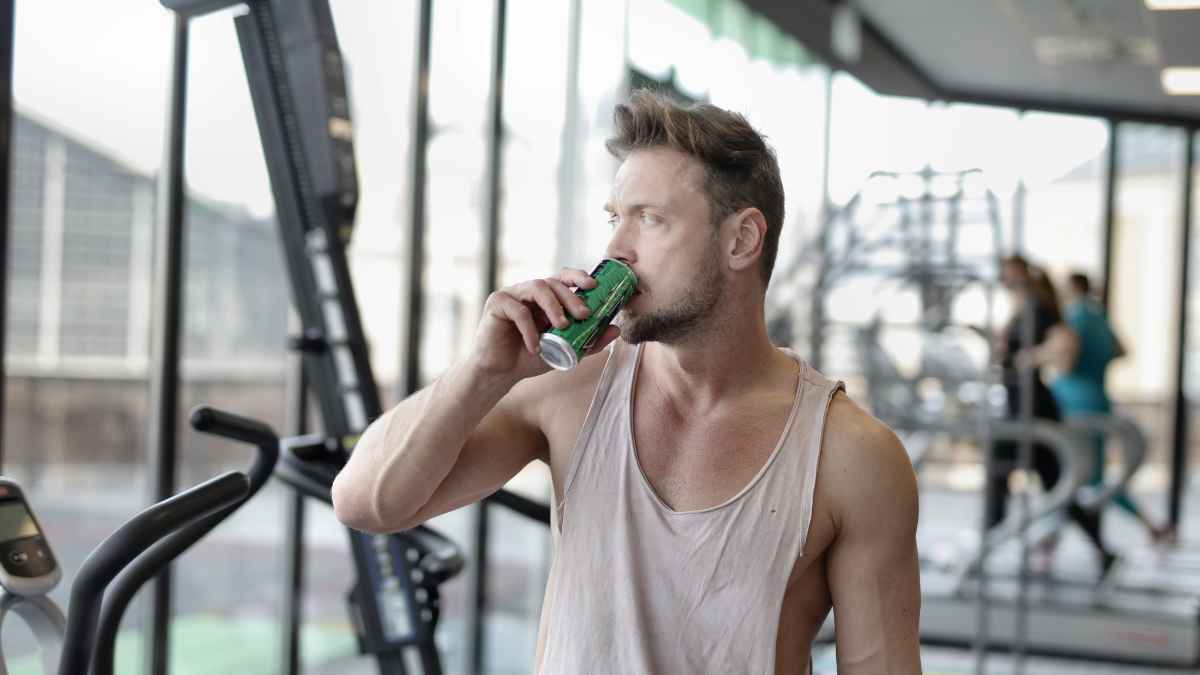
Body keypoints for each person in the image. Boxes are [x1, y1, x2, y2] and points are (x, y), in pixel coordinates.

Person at [331, 91, 922, 674]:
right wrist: (483, 373)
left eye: (651, 219)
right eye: (616, 219)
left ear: (742, 240)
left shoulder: (852, 456)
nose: (616, 248)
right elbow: (364, 504)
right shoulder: (568, 390)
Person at [990, 256, 1118, 576]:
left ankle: (988, 534)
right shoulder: (1024, 307)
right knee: (1056, 484)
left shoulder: (1038, 306)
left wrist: (1030, 358)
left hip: (1032, 407)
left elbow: (1065, 343)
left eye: (1007, 273)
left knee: (1002, 465)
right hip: (1022, 405)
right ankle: (1103, 550)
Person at [1051, 272, 1175, 546]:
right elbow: (1121, 350)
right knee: (1092, 475)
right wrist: (1097, 361)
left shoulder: (1073, 319)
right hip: (1097, 397)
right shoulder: (1099, 318)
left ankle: (1049, 534)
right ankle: (1149, 527)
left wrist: (1048, 357)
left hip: (1075, 401)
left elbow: (1066, 361)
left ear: (1073, 288)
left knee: (1074, 473)